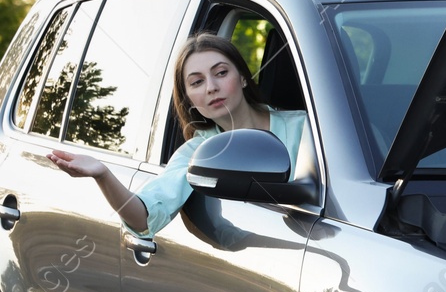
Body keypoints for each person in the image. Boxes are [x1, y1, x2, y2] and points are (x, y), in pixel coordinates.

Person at [49, 32, 307, 237]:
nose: (212, 87)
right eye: (197, 82)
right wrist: (103, 175)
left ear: (242, 77)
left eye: (220, 73)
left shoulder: (307, 127)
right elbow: (144, 218)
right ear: (190, 100)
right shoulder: (197, 154)